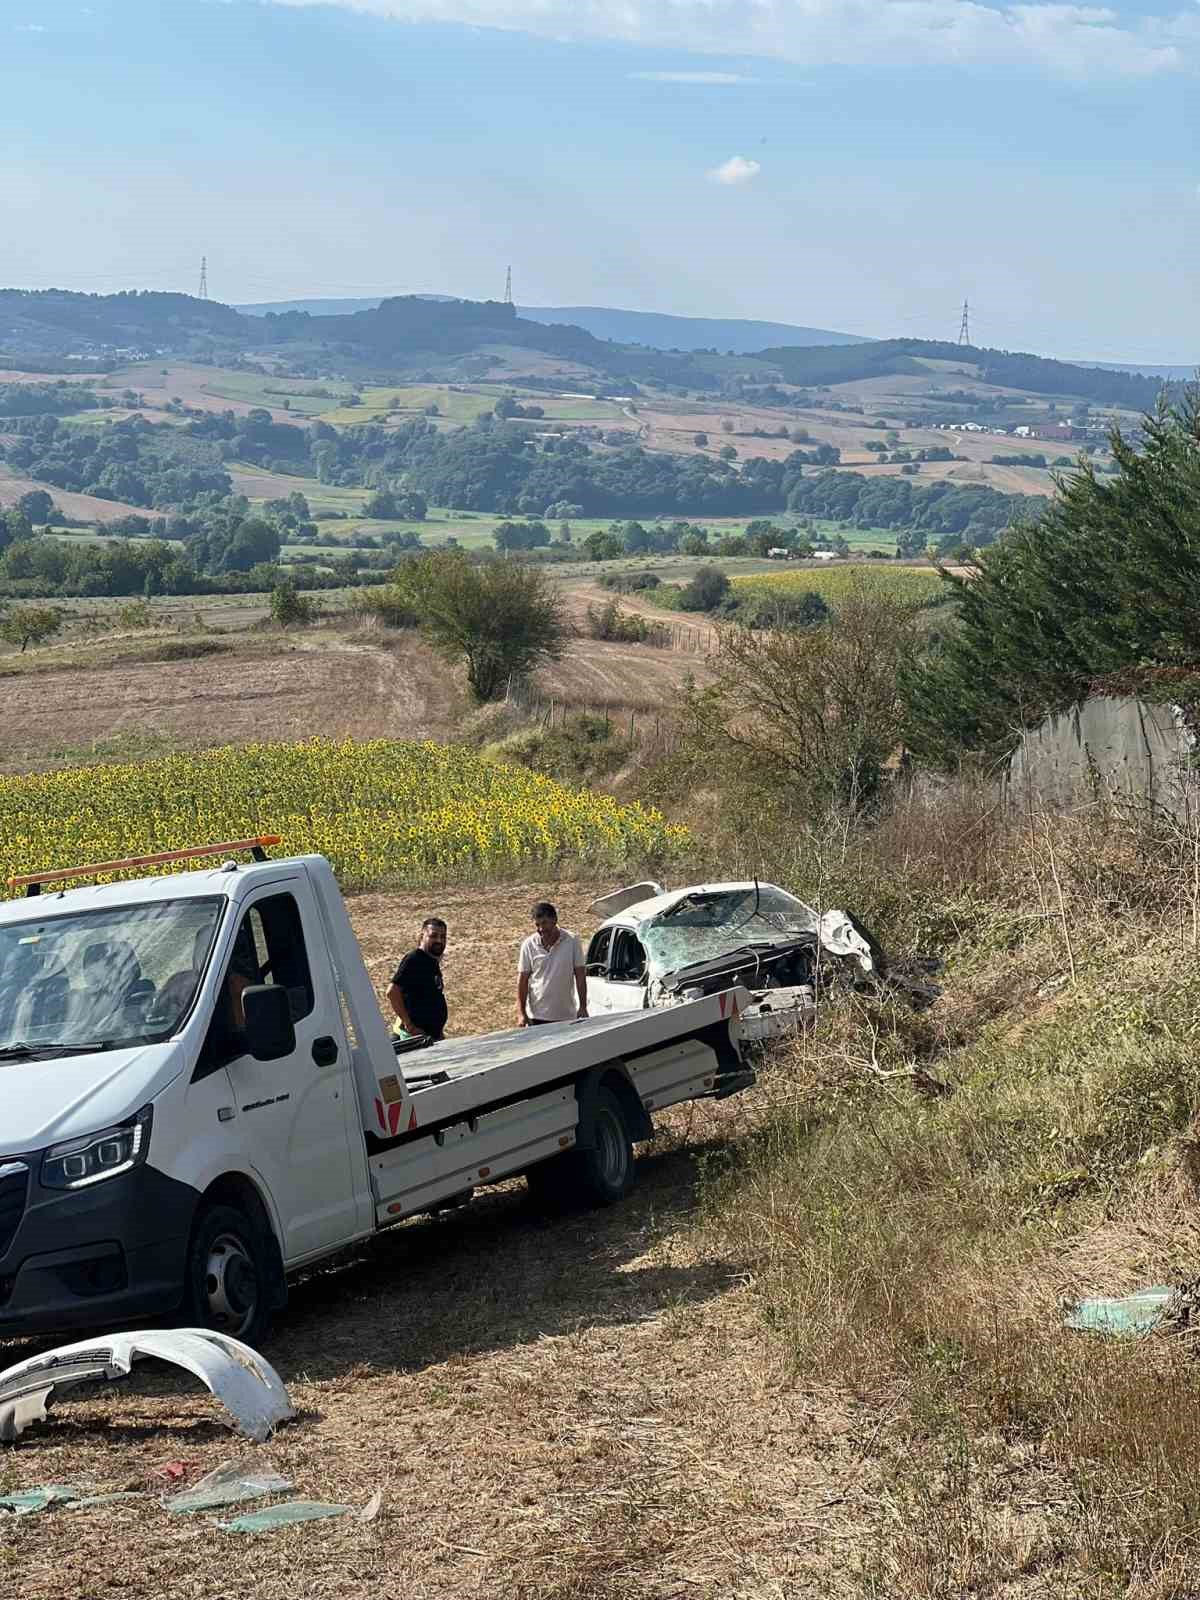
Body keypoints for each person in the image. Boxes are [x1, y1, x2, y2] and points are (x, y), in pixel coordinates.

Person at [516, 902, 587, 1026]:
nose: (541, 929)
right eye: (537, 925)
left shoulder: (572, 941)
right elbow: (522, 981)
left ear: (554, 920)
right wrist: (521, 1013)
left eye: (544, 923)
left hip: (566, 1015)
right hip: (537, 1016)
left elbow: (580, 975)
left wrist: (583, 1006)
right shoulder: (528, 945)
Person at [387, 918, 448, 1041]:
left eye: (443, 936)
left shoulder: (431, 961)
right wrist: (410, 1025)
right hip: (411, 1039)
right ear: (422, 936)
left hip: (430, 1038)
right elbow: (392, 992)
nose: (439, 940)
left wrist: (439, 1032)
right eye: (433, 936)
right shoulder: (414, 959)